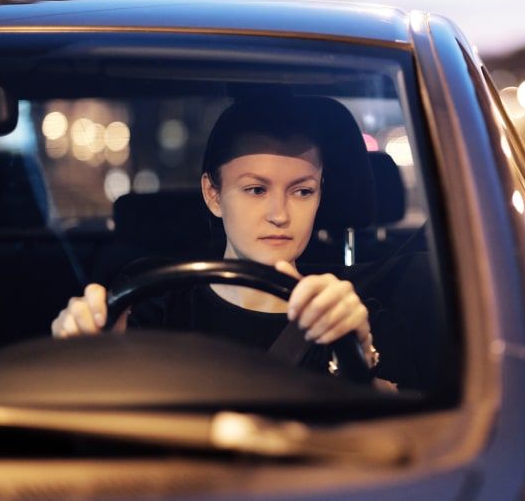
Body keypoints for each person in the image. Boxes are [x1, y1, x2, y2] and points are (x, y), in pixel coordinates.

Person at [51, 97, 395, 385]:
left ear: (320, 195)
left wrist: (359, 354)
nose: (280, 215)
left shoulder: (349, 308)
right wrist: (78, 352)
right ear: (212, 194)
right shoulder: (154, 300)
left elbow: (409, 431)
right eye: (255, 190)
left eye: (303, 191)